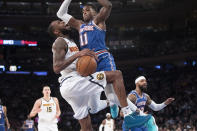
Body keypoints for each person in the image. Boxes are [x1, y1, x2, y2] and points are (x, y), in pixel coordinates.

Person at [50, 24, 151, 130]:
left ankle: (112, 104)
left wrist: (86, 57)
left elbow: (77, 63)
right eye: (60, 22)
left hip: (71, 86)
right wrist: (79, 54)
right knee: (116, 75)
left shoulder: (71, 42)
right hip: (73, 82)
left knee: (87, 126)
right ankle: (129, 115)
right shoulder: (59, 41)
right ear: (56, 32)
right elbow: (57, 68)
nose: (64, 23)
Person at [56, 0, 120, 118]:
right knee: (93, 108)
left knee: (110, 92)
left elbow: (108, 5)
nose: (84, 12)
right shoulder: (79, 25)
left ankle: (128, 109)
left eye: (87, 10)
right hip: (89, 62)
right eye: (83, 11)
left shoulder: (99, 21)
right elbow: (60, 14)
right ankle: (110, 103)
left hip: (102, 57)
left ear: (95, 13)